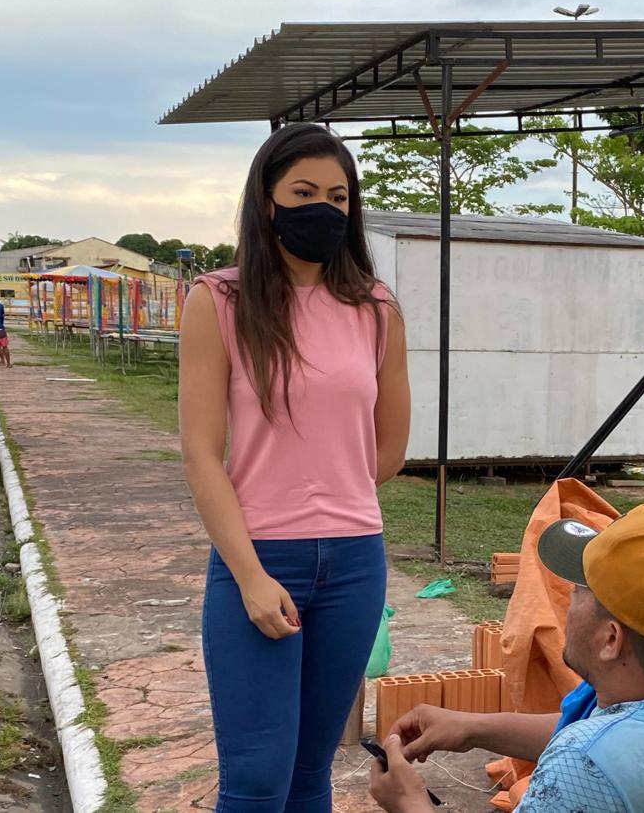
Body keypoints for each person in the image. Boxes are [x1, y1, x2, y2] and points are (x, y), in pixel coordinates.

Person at [180, 123, 410, 812]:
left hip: (354, 563)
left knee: (311, 775)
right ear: (267, 201)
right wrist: (251, 574)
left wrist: (327, 491)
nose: (324, 208)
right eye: (304, 191)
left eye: (339, 196)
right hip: (258, 559)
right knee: (255, 781)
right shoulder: (217, 301)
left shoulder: (376, 307)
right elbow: (199, 451)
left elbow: (389, 448)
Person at [369, 504, 644, 813]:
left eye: (580, 590)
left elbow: (597, 754)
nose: (567, 599)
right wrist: (473, 728)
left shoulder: (585, 762)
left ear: (610, 639)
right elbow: (622, 736)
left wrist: (410, 805)